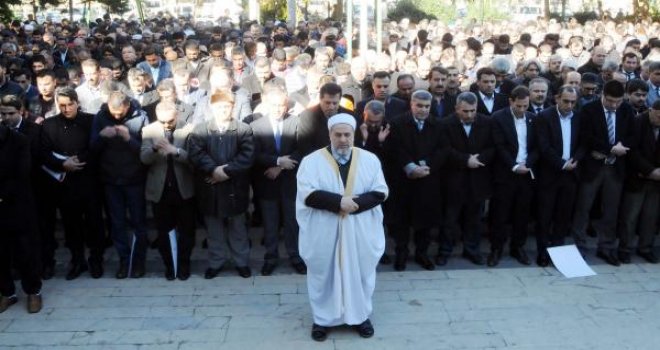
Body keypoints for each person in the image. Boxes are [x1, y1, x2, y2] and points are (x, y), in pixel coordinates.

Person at [296, 113, 388, 342]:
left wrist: (353, 205)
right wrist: (338, 202)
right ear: (329, 135)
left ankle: (361, 317)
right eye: (338, 135)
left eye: (347, 134)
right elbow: (307, 194)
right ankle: (322, 320)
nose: (343, 140)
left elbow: (380, 192)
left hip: (360, 230)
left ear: (354, 134)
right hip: (325, 232)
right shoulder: (311, 161)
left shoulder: (369, 159)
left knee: (361, 273)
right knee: (323, 275)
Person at [188, 90, 254, 279]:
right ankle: (216, 262)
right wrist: (213, 170)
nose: (224, 110)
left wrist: (225, 172)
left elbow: (247, 156)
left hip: (235, 186)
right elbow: (196, 154)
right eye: (220, 107)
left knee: (238, 227)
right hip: (210, 186)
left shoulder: (243, 129)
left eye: (227, 106)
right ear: (212, 107)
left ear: (233, 107)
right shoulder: (200, 129)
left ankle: (241, 262)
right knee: (214, 228)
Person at [40, 87, 105, 279]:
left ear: (77, 103)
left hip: (89, 180)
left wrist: (79, 160)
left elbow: (97, 146)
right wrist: (62, 164)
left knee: (94, 223)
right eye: (62, 105)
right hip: (65, 183)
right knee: (71, 225)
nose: (66, 109)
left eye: (70, 104)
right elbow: (43, 152)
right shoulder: (49, 124)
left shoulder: (91, 121)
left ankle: (96, 260)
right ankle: (77, 261)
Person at [571, 80, 635, 266]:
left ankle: (606, 247)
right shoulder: (589, 110)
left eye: (618, 101)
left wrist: (621, 147)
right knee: (583, 208)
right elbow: (586, 137)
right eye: (610, 101)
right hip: (593, 168)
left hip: (615, 168)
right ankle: (579, 247)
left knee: (611, 210)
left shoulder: (626, 110)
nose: (614, 105)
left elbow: (632, 134)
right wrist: (610, 149)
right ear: (602, 95)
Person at [90, 91, 149, 278]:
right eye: (113, 113)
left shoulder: (141, 117)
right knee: (117, 223)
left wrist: (128, 138)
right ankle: (124, 260)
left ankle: (138, 261)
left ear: (127, 106)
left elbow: (146, 150)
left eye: (119, 113)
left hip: (134, 179)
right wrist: (102, 136)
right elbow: (92, 147)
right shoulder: (101, 117)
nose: (116, 116)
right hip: (111, 179)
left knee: (139, 222)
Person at [250, 82, 306, 275]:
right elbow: (254, 154)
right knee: (270, 223)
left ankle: (295, 256)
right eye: (274, 105)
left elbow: (303, 149)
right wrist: (277, 160)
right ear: (266, 103)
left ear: (287, 104)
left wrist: (280, 166)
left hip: (290, 182)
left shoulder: (296, 122)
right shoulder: (256, 126)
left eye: (281, 105)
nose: (278, 109)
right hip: (267, 183)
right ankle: (271, 257)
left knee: (292, 222)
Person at [385, 90, 444, 271]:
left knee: (424, 220)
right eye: (419, 105)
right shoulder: (397, 123)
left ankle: (422, 253)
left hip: (427, 180)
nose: (423, 110)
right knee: (402, 220)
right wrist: (410, 167)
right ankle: (402, 253)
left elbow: (443, 150)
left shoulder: (438, 125)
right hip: (403, 180)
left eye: (427, 106)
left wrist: (427, 167)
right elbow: (395, 149)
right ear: (411, 104)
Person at [437, 92, 495, 266]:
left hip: (477, 179)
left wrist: (478, 160)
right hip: (454, 179)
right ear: (456, 109)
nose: (469, 115)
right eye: (465, 111)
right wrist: (465, 160)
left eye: (472, 111)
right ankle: (444, 251)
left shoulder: (487, 122)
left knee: (474, 219)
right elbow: (444, 149)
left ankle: (472, 250)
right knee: (449, 219)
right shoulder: (446, 124)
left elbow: (492, 147)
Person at [141, 100, 196, 280]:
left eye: (170, 121)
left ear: (177, 116)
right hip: (160, 191)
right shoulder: (149, 131)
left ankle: (184, 264)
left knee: (187, 231)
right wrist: (155, 149)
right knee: (163, 231)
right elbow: (144, 159)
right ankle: (169, 265)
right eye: (162, 122)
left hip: (184, 189)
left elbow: (195, 160)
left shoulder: (188, 130)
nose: (166, 125)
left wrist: (177, 151)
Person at [488, 86, 538, 267]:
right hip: (505, 174)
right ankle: (496, 248)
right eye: (519, 106)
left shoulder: (533, 118)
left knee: (522, 214)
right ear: (511, 101)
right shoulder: (498, 118)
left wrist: (528, 164)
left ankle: (518, 247)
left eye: (526, 106)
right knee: (500, 214)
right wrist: (514, 166)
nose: (523, 110)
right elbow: (499, 146)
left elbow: (536, 147)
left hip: (526, 174)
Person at [535, 85, 584, 267]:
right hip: (550, 174)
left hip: (571, 174)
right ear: (557, 98)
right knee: (544, 216)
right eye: (566, 101)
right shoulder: (545, 116)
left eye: (573, 102)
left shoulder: (579, 117)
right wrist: (561, 163)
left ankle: (558, 252)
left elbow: (583, 143)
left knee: (563, 217)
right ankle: (542, 252)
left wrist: (575, 160)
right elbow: (543, 146)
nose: (569, 105)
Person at [0, 122, 43, 314]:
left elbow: (22, 172)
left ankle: (33, 291)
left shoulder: (18, 140)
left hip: (16, 204)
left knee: (25, 251)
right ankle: (7, 292)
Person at [616, 100, 660, 263]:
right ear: (651, 110)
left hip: (656, 181)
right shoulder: (637, 123)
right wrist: (650, 171)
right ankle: (624, 248)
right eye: (658, 116)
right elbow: (632, 151)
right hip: (637, 177)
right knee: (630, 216)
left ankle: (646, 248)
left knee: (651, 216)